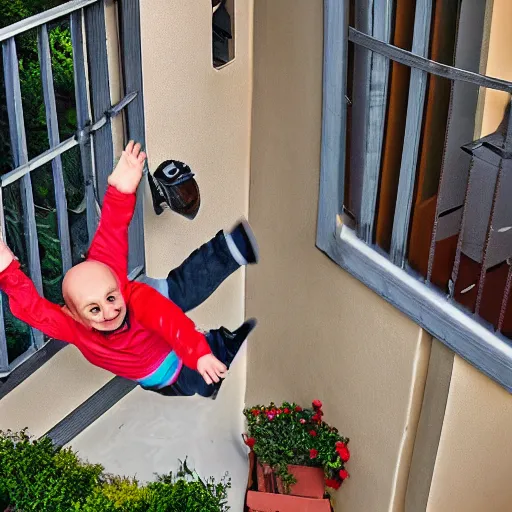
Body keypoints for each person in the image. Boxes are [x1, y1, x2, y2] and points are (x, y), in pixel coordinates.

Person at [0, 141, 258, 399]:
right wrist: (6, 272)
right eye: (94, 309)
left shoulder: (129, 292)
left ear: (116, 285)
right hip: (158, 375)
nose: (109, 312)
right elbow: (34, 310)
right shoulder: (72, 325)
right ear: (75, 315)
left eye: (110, 298)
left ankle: (231, 253)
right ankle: (217, 345)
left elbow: (171, 322)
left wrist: (121, 189)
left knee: (179, 294)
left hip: (160, 336)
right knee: (193, 373)